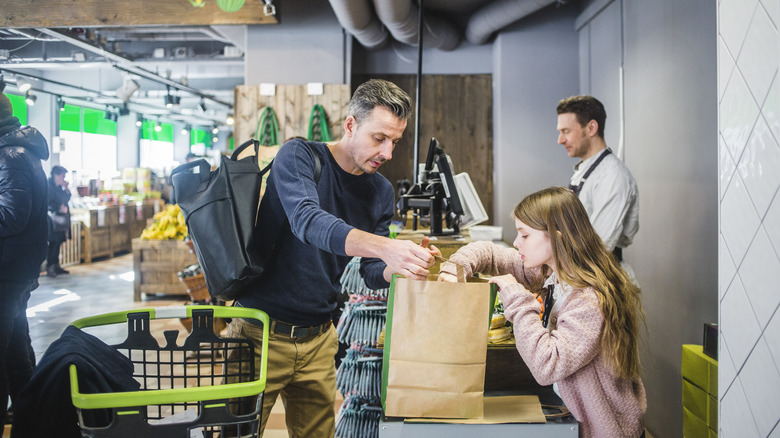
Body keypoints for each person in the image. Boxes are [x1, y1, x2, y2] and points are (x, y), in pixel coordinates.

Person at [227, 79, 438, 437]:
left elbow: (372, 272)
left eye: (395, 142)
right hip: (259, 333)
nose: (388, 153)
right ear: (351, 125)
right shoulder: (299, 157)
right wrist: (386, 246)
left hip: (320, 340)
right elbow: (308, 221)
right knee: (236, 434)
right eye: (379, 138)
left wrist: (402, 267)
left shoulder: (380, 192)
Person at [439, 187, 646, 438]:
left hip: (604, 429)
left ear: (556, 238)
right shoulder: (553, 272)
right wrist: (454, 268)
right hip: (575, 415)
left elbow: (547, 365)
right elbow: (490, 253)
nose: (516, 243)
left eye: (524, 235)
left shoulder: (589, 300)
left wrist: (517, 299)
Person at [0, 92, 49, 428]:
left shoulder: (11, 155)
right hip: (17, 267)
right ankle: (31, 415)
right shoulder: (19, 150)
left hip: (7, 268)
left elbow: (13, 215)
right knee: (14, 344)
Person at [556, 95, 638, 276]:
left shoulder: (612, 176)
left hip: (603, 278)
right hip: (583, 274)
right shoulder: (587, 170)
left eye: (566, 131)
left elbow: (600, 245)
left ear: (591, 128)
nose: (560, 140)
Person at [46, 165, 71, 277]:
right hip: (52, 219)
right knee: (53, 243)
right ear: (56, 175)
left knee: (58, 242)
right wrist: (57, 208)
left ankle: (56, 265)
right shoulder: (48, 186)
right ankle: (50, 267)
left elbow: (66, 198)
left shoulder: (60, 187)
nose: (63, 178)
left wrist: (66, 188)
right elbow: (47, 202)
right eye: (62, 176)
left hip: (61, 219)